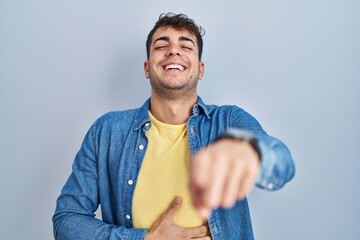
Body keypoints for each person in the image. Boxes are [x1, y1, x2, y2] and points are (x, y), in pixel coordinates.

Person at [52, 12, 295, 240]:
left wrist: (254, 151)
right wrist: (144, 238)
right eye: (161, 46)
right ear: (147, 68)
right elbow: (66, 221)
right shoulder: (106, 131)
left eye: (186, 46)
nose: (173, 52)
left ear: (200, 69)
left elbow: (283, 164)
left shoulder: (229, 121)